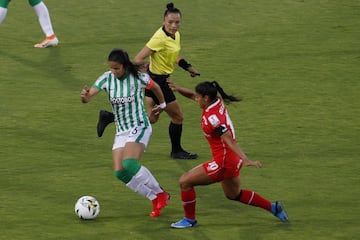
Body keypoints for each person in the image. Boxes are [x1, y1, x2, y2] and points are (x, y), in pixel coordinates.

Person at [166, 80, 289, 228]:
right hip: (231, 160)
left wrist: (247, 160)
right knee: (233, 194)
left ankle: (189, 220)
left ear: (205, 98)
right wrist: (178, 89)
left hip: (223, 162)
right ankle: (273, 207)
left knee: (184, 182)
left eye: (199, 97)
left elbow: (229, 140)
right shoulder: (216, 100)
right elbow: (192, 95)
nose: (196, 98)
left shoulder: (214, 119)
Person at [97, 2, 200, 160]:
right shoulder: (158, 39)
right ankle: (176, 151)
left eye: (177, 22)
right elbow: (138, 58)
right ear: (163, 21)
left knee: (152, 118)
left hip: (158, 79)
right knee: (178, 117)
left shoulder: (175, 35)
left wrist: (188, 67)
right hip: (158, 82)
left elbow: (173, 55)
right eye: (170, 22)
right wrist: (144, 73)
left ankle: (110, 117)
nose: (174, 25)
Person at [80, 48, 170, 218]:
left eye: (117, 68)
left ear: (124, 66)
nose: (113, 72)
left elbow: (156, 87)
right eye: (111, 68)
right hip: (122, 130)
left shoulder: (138, 78)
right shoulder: (106, 78)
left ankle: (161, 193)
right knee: (120, 172)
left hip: (140, 125)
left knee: (130, 164)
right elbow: (89, 96)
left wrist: (163, 105)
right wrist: (84, 97)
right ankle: (153, 197)